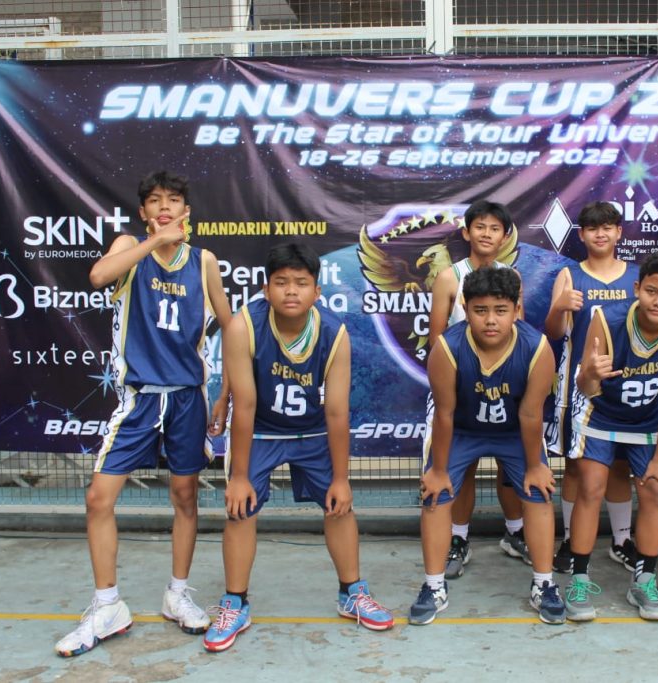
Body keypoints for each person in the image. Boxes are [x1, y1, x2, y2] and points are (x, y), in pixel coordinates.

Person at [56, 171, 232, 657]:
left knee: (185, 495)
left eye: (173, 200)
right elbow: (98, 276)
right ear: (143, 212)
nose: (164, 207)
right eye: (155, 201)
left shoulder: (204, 262)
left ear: (187, 210)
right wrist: (154, 240)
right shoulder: (130, 248)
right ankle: (107, 605)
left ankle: (177, 594)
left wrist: (226, 393)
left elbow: (231, 326)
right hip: (140, 397)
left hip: (187, 397)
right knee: (99, 498)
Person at [203, 243, 393, 652]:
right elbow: (245, 404)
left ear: (317, 291)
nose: (291, 291)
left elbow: (337, 411)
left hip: (312, 432)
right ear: (265, 289)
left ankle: (351, 592)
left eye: (301, 283)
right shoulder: (243, 327)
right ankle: (235, 602)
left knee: (339, 506)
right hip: (260, 431)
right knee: (240, 508)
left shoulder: (333, 333)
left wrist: (341, 479)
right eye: (282, 282)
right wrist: (238, 476)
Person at [409, 267, 563, 625]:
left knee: (538, 491)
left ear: (516, 309)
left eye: (500, 310)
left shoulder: (537, 348)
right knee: (435, 494)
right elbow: (444, 413)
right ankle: (433, 586)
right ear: (465, 308)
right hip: (462, 429)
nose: (491, 320)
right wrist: (438, 470)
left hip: (514, 430)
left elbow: (530, 413)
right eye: (480, 310)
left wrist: (536, 466)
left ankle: (544, 583)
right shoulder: (447, 347)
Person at [565, 250, 658, 622]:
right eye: (652, 291)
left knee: (655, 491)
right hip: (600, 413)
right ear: (637, 288)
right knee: (591, 487)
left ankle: (643, 579)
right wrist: (590, 373)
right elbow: (584, 386)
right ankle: (579, 579)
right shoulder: (605, 319)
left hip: (648, 421)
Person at [427, 200, 529, 578]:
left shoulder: (511, 277)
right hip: (461, 389)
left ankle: (515, 533)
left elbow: (521, 335)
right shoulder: (449, 278)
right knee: (462, 466)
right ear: (466, 232)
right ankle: (458, 538)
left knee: (510, 463)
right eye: (480, 227)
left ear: (505, 236)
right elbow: (437, 339)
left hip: (503, 388)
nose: (487, 234)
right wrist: (454, 383)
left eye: (494, 228)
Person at [543, 201, 639, 574]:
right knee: (575, 465)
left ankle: (622, 539)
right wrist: (559, 307)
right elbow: (554, 333)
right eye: (593, 228)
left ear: (619, 232)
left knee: (619, 466)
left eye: (607, 227)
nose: (601, 234)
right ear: (581, 235)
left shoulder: (636, 276)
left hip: (624, 384)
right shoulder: (569, 276)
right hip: (578, 387)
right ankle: (571, 540)